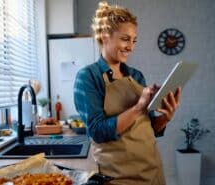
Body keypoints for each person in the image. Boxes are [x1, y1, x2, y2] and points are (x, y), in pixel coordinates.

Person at [73, 2, 181, 185]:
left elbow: (149, 128)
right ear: (105, 36)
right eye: (125, 39)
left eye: (134, 40)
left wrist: (166, 117)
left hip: (153, 172)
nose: (131, 46)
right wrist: (139, 107)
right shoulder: (88, 77)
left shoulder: (136, 75)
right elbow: (98, 131)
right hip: (117, 178)